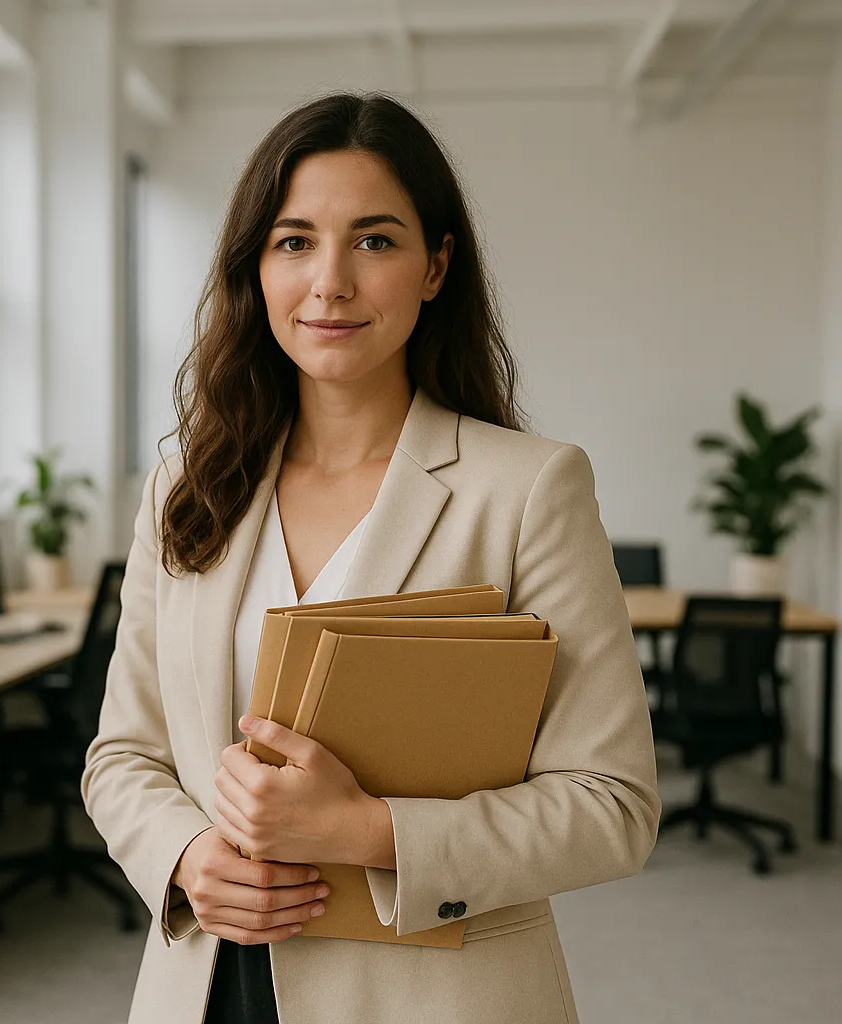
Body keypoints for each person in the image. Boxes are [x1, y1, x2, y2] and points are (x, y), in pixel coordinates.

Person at [81, 92, 660, 1024]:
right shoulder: (187, 489)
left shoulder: (527, 490)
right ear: (255, 269)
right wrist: (185, 856)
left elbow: (612, 804)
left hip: (435, 997)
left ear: (436, 266)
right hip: (208, 983)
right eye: (295, 241)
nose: (331, 283)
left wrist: (366, 831)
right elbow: (122, 754)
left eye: (376, 241)